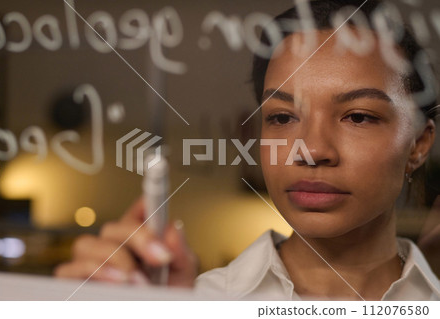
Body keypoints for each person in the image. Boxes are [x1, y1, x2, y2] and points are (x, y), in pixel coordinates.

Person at [55, 0, 440, 300]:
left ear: (419, 145)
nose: (311, 150)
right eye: (283, 117)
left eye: (357, 117)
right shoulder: (193, 303)